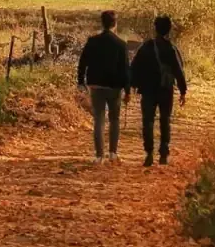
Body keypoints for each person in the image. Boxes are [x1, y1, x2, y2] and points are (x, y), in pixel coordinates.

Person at [130, 15, 187, 166]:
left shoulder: (146, 46)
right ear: (169, 30)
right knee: (165, 120)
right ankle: (163, 153)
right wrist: (183, 91)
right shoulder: (171, 48)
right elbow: (179, 70)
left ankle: (149, 153)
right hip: (165, 89)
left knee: (148, 121)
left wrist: (133, 85)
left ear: (155, 28)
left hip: (148, 90)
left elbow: (134, 66)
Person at [77, 10, 130, 164]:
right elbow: (125, 70)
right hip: (114, 86)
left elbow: (82, 62)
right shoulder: (121, 44)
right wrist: (127, 90)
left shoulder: (92, 41)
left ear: (102, 23)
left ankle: (99, 155)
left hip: (96, 85)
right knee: (114, 119)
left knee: (99, 119)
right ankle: (113, 153)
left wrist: (81, 82)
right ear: (115, 24)